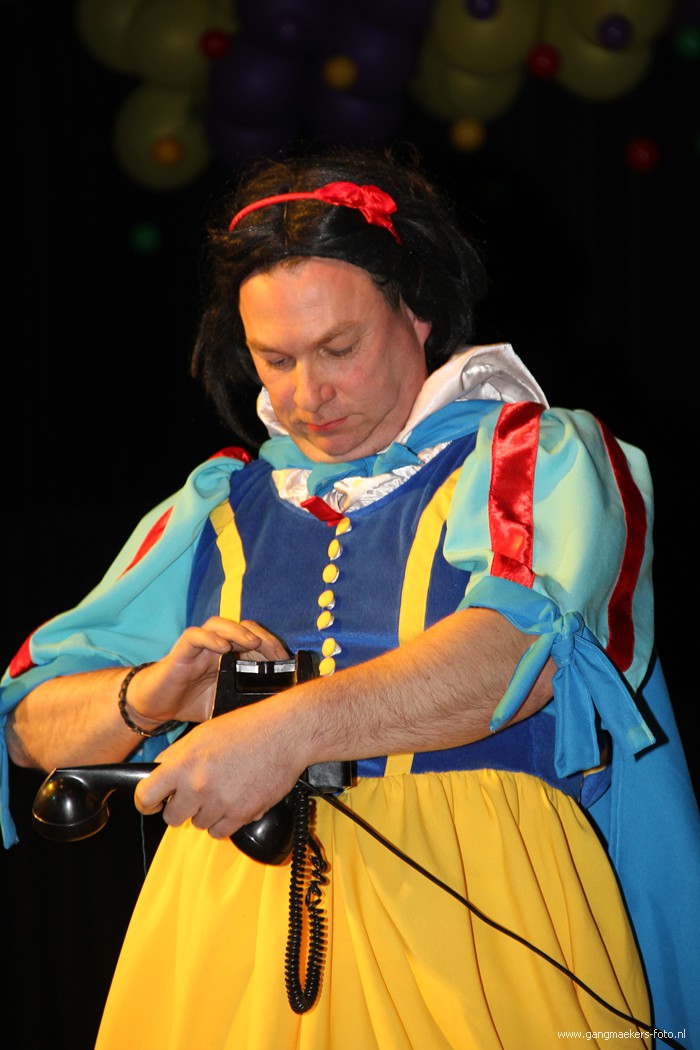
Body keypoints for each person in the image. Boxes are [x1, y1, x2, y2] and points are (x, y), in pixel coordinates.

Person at [1, 147, 699, 1050]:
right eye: (275, 359)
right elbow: (29, 723)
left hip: (485, 925)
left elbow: (517, 661)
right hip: (228, 941)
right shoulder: (215, 506)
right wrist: (148, 696)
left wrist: (282, 732)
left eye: (339, 348)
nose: (308, 394)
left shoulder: (537, 457)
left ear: (417, 312)